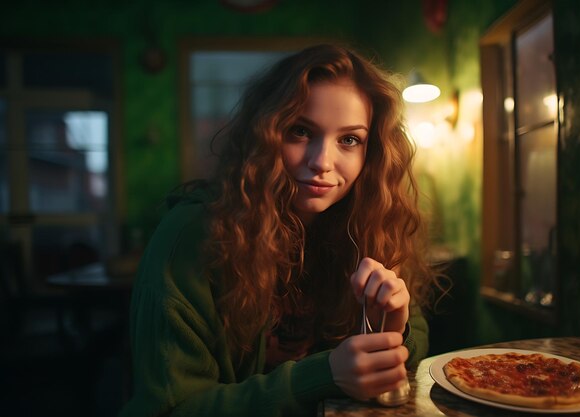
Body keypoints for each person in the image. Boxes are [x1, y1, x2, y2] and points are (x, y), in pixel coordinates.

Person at [119, 43, 437, 417]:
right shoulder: (191, 236)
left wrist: (391, 330)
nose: (322, 162)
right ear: (264, 135)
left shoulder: (367, 223)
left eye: (349, 139)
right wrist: (321, 375)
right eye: (300, 131)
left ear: (371, 153)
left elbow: (413, 341)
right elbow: (171, 409)